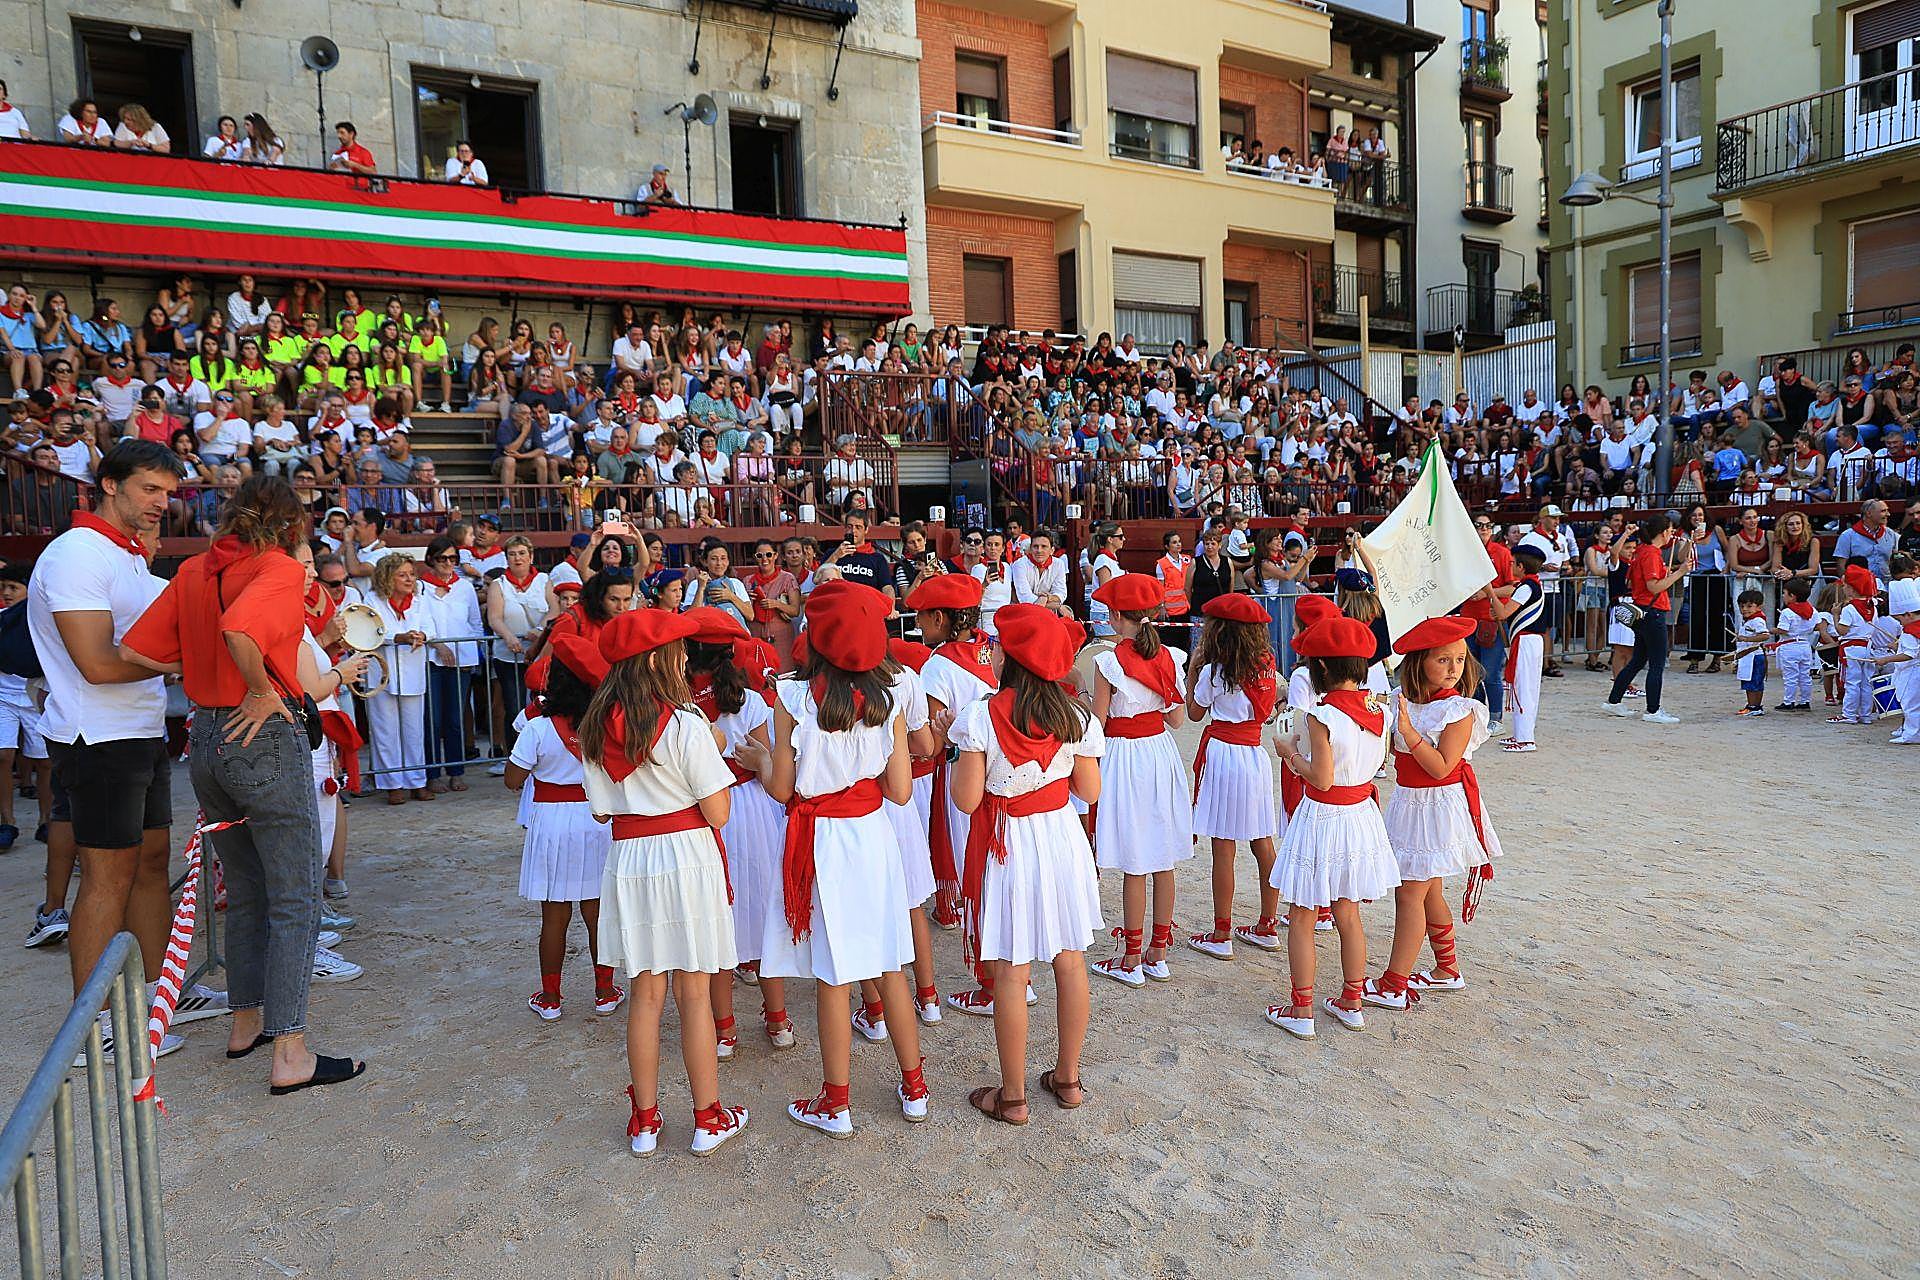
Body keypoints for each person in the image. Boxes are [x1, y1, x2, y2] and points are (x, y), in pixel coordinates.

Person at [121, 473, 365, 1092]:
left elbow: (136, 651)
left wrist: (203, 667)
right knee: (295, 892)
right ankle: (290, 1052)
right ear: (288, 522)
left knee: (248, 886)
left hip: (205, 735)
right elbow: (239, 630)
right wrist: (257, 687)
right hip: (261, 735)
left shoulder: (194, 570)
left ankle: (245, 1022)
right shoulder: (276, 567)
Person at [28, 440, 226, 1060]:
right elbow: (96, 664)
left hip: (138, 731)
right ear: (109, 485)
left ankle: (158, 994)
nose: (161, 502)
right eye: (149, 488)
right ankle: (95, 1025)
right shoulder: (77, 554)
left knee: (150, 863)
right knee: (106, 877)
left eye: (168, 493)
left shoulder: (128, 555)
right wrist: (186, 663)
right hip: (95, 735)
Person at [749, 581, 930, 1139]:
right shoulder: (891, 697)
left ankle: (836, 1101)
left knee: (833, 975)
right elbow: (900, 790)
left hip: (821, 840)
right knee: (888, 962)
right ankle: (915, 1087)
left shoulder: (791, 698)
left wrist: (759, 761)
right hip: (872, 835)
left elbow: (782, 789)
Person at [578, 608, 748, 1157]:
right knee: (694, 993)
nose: (683, 660)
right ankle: (707, 1117)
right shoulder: (684, 724)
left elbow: (602, 811)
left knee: (645, 994)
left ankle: (645, 1121)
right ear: (655, 661)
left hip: (631, 860)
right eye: (676, 652)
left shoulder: (594, 728)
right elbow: (719, 812)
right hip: (686, 855)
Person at [951, 603, 1102, 1123]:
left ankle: (1012, 1095)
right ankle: (1068, 1077)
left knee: (1011, 972)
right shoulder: (1076, 716)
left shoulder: (980, 717)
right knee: (1070, 959)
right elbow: (1089, 790)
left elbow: (967, 800)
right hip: (1059, 836)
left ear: (1008, 659)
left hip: (1007, 842)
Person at [1265, 616, 1395, 1039]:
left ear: (1320, 666)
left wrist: (1288, 753)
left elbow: (1321, 778)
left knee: (1302, 914)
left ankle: (1301, 1008)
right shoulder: (1379, 711)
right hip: (1359, 816)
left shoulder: (1322, 716)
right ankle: (1352, 1001)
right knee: (1348, 912)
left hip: (1323, 816)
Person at [1363, 616, 1501, 1012]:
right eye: (1443, 660)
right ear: (1419, 661)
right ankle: (1447, 969)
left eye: (1459, 659)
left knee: (1410, 893)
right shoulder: (1400, 700)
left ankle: (1394, 984)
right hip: (1410, 803)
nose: (1454, 668)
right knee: (1429, 890)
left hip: (1438, 805)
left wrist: (1408, 733)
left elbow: (1441, 766)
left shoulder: (1460, 710)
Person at [506, 634, 621, 1020]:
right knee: (597, 913)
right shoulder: (604, 723)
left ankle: (551, 997)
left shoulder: (537, 728)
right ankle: (604, 992)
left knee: (554, 918)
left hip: (551, 823)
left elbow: (512, 779)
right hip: (595, 818)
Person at [686, 632, 792, 1049]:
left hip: (708, 809)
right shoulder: (747, 699)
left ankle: (724, 1031)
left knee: (717, 918)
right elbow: (764, 757)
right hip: (752, 806)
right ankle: (778, 1022)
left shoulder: (680, 704)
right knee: (762, 910)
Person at [1087, 574, 1191, 988]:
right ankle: (1157, 953)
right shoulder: (1170, 657)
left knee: (1134, 859)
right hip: (1159, 752)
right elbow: (1177, 718)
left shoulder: (1107, 663)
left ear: (1115, 616)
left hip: (1125, 757)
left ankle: (1130, 958)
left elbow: (1097, 723)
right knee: (1162, 857)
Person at [1185, 593, 1282, 960]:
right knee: (1262, 841)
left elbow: (1195, 713)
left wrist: (1194, 670)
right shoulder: (1266, 668)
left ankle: (1221, 932)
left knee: (1223, 847)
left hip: (1223, 756)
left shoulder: (1214, 671)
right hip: (1254, 757)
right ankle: (1267, 924)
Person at [1605, 515, 1691, 725]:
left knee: (1638, 660)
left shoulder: (1643, 550)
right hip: (1652, 611)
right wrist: (1679, 573)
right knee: (1656, 664)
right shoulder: (1651, 553)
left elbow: (1641, 582)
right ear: (1663, 532)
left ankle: (1614, 701)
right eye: (1669, 531)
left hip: (1643, 610)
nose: (1671, 534)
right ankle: (1653, 710)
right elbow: (1654, 586)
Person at [362, 553, 432, 803]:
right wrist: (399, 637)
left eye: (411, 574)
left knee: (414, 730)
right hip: (381, 672)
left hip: (412, 670)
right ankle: (392, 784)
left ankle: (417, 781)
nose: (409, 579)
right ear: (387, 578)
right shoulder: (372, 599)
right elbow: (371, 630)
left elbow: (431, 626)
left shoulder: (420, 599)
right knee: (385, 730)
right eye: (402, 575)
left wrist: (423, 635)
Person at [1501, 544, 1551, 753]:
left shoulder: (1526, 587)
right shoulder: (1531, 584)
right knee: (1524, 687)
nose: (1511, 566)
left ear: (1521, 566)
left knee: (1524, 688)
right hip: (1528, 641)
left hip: (1526, 641)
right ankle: (1521, 734)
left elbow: (1503, 613)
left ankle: (1525, 739)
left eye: (1513, 563)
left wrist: (1490, 593)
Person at [1832, 564, 1881, 726]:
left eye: (1845, 585)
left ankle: (1849, 714)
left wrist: (1835, 615)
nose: (1843, 588)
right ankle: (1865, 715)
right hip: (1867, 646)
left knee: (1852, 683)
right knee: (1866, 683)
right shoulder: (1872, 606)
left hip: (1851, 649)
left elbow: (1842, 630)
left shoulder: (1850, 608)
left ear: (1852, 589)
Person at [1880, 578, 1920, 744]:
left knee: (1910, 703)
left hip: (1911, 671)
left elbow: (1910, 654)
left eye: (1899, 619)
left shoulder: (1910, 631)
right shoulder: (1914, 628)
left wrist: (1886, 659)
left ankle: (1912, 733)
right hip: (1913, 670)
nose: (1900, 623)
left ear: (1908, 614)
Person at [1773, 577, 1819, 712]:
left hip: (1790, 645)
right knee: (1805, 675)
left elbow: (1783, 630)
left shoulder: (1787, 612)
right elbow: (1817, 625)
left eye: (1784, 593)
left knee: (1790, 676)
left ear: (1792, 596)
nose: (1783, 596)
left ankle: (1789, 701)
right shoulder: (1812, 610)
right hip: (1805, 644)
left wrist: (1772, 630)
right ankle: (1805, 701)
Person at [1730, 589, 1772, 717]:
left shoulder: (1757, 620)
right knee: (1752, 682)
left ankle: (1754, 706)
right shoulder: (1748, 620)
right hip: (1749, 656)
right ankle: (1753, 706)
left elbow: (1765, 635)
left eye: (1749, 606)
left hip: (1754, 655)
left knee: (1753, 682)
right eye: (1742, 606)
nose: (1744, 609)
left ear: (1759, 607)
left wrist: (1747, 639)